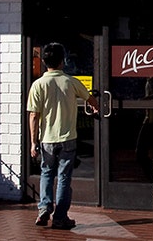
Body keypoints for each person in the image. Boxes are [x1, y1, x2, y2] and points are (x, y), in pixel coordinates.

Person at [27, 42, 98, 230]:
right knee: (64, 177)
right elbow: (91, 99)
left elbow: (33, 115)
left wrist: (33, 142)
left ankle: (44, 208)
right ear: (62, 61)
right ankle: (60, 217)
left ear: (44, 62)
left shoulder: (38, 85)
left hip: (47, 139)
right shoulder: (71, 82)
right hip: (68, 138)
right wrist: (95, 108)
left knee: (46, 173)